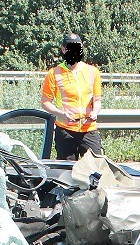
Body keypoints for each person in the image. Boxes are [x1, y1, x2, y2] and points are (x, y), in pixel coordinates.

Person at [41, 33, 103, 161]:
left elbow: (97, 99)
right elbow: (45, 102)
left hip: (88, 129)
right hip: (66, 130)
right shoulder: (54, 73)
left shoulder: (92, 71)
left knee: (97, 168)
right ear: (64, 49)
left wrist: (95, 111)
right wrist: (61, 114)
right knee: (66, 172)